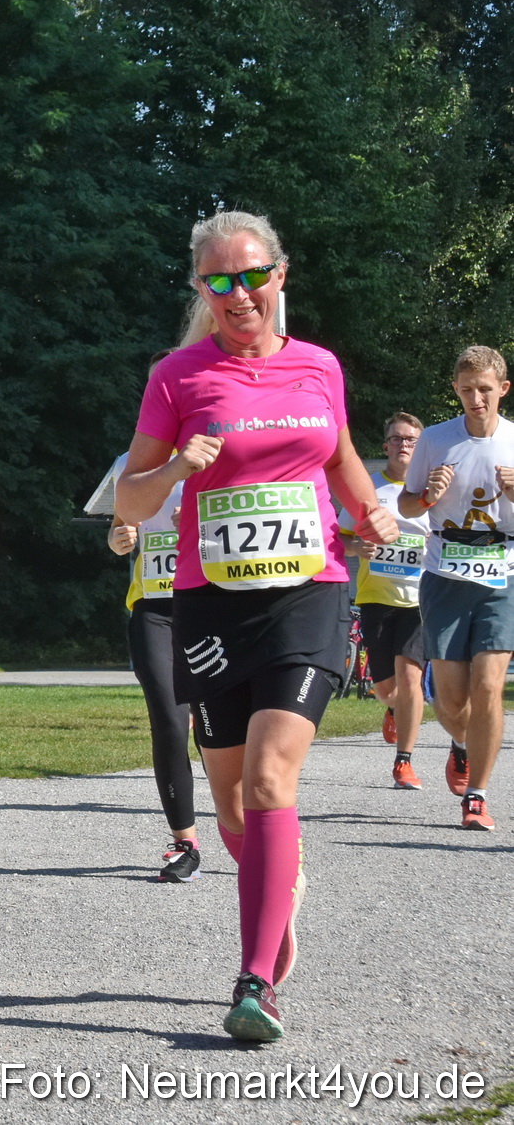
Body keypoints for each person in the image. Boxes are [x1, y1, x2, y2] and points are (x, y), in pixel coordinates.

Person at [116, 211, 396, 1043]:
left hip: (310, 592)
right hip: (212, 603)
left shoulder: (318, 365)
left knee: (273, 780)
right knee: (235, 806)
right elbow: (130, 495)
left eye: (251, 275)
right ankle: (278, 887)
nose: (238, 294)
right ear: (200, 288)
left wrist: (369, 510)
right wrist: (178, 466)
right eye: (219, 280)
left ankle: (255, 980)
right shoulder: (177, 375)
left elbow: (339, 454)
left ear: (280, 274)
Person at [398, 346, 514, 831]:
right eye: (467, 390)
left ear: (503, 389)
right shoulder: (436, 440)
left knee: (488, 686)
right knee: (449, 701)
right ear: (456, 390)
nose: (476, 399)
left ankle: (478, 796)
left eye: (485, 389)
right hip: (445, 574)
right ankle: (461, 743)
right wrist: (427, 495)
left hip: (503, 573)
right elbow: (406, 506)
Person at [106, 442, 201, 881]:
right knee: (169, 719)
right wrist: (118, 539)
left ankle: (248, 829)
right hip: (154, 608)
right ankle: (186, 843)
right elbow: (119, 529)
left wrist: (198, 524)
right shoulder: (131, 462)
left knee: (219, 731)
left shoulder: (218, 449)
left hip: (210, 604)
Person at [338, 413, 429, 789]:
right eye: (397, 439)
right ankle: (393, 709)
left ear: (421, 447)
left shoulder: (432, 490)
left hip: (421, 600)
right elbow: (339, 537)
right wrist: (356, 547)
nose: (403, 445)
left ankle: (404, 761)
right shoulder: (368, 490)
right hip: (376, 598)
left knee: (411, 678)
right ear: (386, 446)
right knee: (386, 689)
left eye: (411, 440)